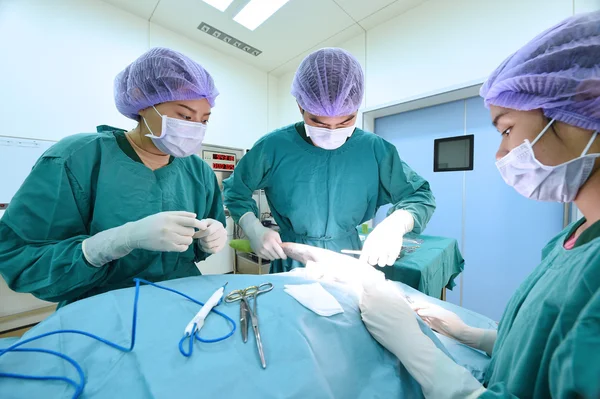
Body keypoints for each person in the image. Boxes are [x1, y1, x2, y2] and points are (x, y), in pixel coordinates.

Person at [360, 11, 600, 399]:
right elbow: (538, 345)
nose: (501, 153)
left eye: (506, 129)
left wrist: (416, 349)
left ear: (582, 111)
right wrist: (472, 334)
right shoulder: (573, 237)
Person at [0, 48, 228, 307]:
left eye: (204, 120)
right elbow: (20, 257)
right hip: (100, 308)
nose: (194, 127)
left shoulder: (198, 172)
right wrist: (109, 245)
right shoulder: (77, 157)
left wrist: (206, 241)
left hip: (181, 302)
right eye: (185, 116)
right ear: (141, 100)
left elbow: (191, 253)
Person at [223, 48, 435, 272]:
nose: (332, 131)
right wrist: (252, 226)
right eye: (319, 122)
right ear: (300, 106)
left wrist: (397, 224)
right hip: (292, 258)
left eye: (346, 121)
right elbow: (236, 191)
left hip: (347, 259)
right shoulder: (272, 147)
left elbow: (419, 195)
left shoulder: (374, 150)